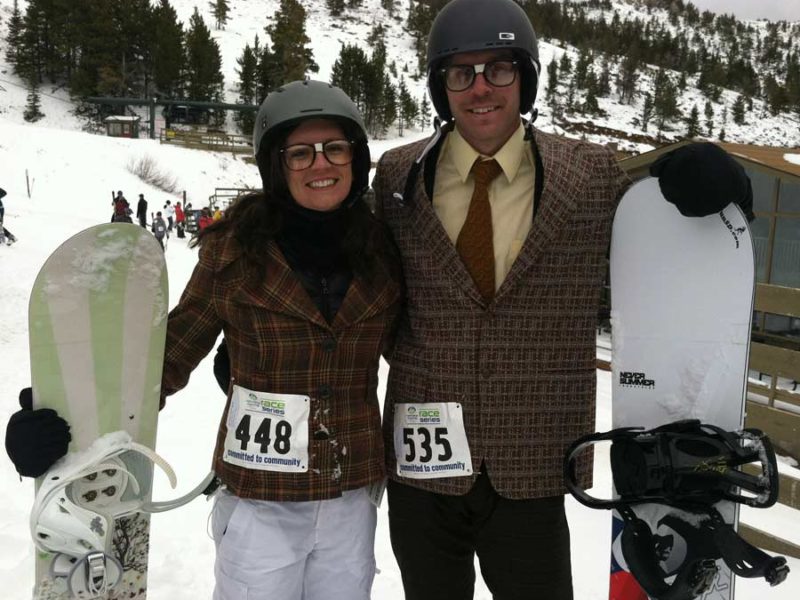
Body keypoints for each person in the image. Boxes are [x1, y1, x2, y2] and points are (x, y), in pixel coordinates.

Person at [370, 1, 754, 599]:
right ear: (439, 86)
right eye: (460, 73)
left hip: (533, 456)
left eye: (498, 69)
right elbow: (363, 277)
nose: (479, 89)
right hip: (424, 461)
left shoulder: (589, 175)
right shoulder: (396, 175)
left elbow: (658, 216)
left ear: (525, 78)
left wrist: (708, 172)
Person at [5, 79, 402, 600]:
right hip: (260, 501)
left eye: (335, 149)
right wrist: (62, 417)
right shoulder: (236, 252)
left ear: (357, 157)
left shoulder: (383, 252)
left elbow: (420, 353)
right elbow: (166, 357)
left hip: (351, 493)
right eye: (300, 153)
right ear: (275, 167)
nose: (320, 165)